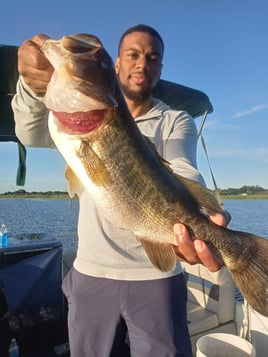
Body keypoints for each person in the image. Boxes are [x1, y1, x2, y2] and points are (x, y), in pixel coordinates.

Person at [12, 24, 229, 357]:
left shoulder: (175, 120)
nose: (143, 64)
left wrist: (202, 220)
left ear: (160, 67)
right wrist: (29, 86)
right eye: (133, 55)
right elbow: (29, 134)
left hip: (157, 275)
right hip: (91, 272)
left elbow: (184, 170)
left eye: (153, 57)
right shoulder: (73, 117)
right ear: (117, 66)